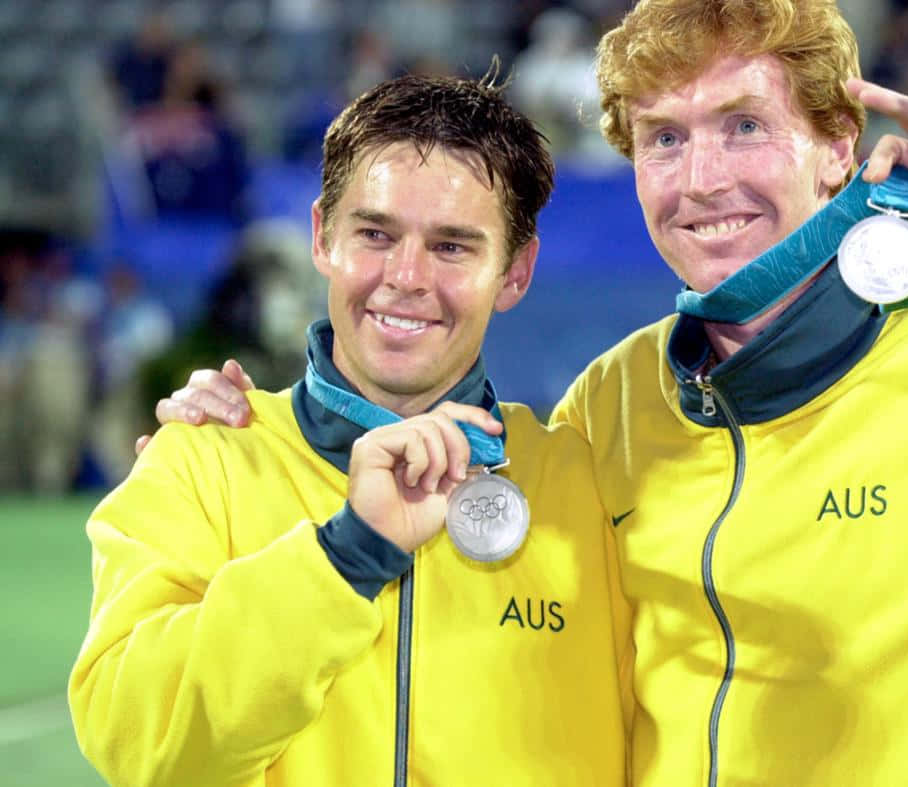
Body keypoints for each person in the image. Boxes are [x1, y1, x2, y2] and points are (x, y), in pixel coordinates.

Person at [145, 1, 908, 784]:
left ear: (838, 149)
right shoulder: (611, 408)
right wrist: (251, 427)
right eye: (664, 137)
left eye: (742, 124)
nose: (699, 180)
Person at [69, 71, 633, 787]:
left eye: (453, 247)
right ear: (321, 237)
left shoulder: (585, 488)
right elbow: (139, 744)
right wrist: (346, 556)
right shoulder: (202, 461)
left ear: (515, 272)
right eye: (375, 233)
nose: (405, 276)